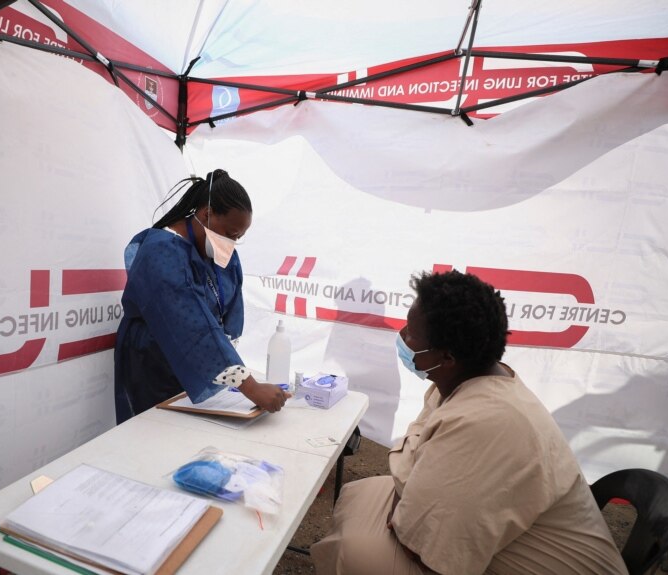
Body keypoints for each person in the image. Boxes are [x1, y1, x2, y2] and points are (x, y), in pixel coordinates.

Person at [310, 270, 626, 575]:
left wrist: (409, 495)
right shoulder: (468, 382)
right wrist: (411, 490)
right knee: (358, 494)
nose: (403, 338)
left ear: (446, 357)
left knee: (355, 553)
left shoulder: (489, 421)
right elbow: (414, 457)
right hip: (493, 541)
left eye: (411, 333)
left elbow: (421, 551)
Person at [114, 169, 288, 423]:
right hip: (154, 363)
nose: (232, 242)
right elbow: (190, 323)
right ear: (206, 214)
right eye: (230, 233)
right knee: (158, 434)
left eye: (239, 237)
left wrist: (228, 363)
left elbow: (231, 309)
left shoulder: (219, 252)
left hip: (205, 358)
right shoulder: (161, 251)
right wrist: (248, 386)